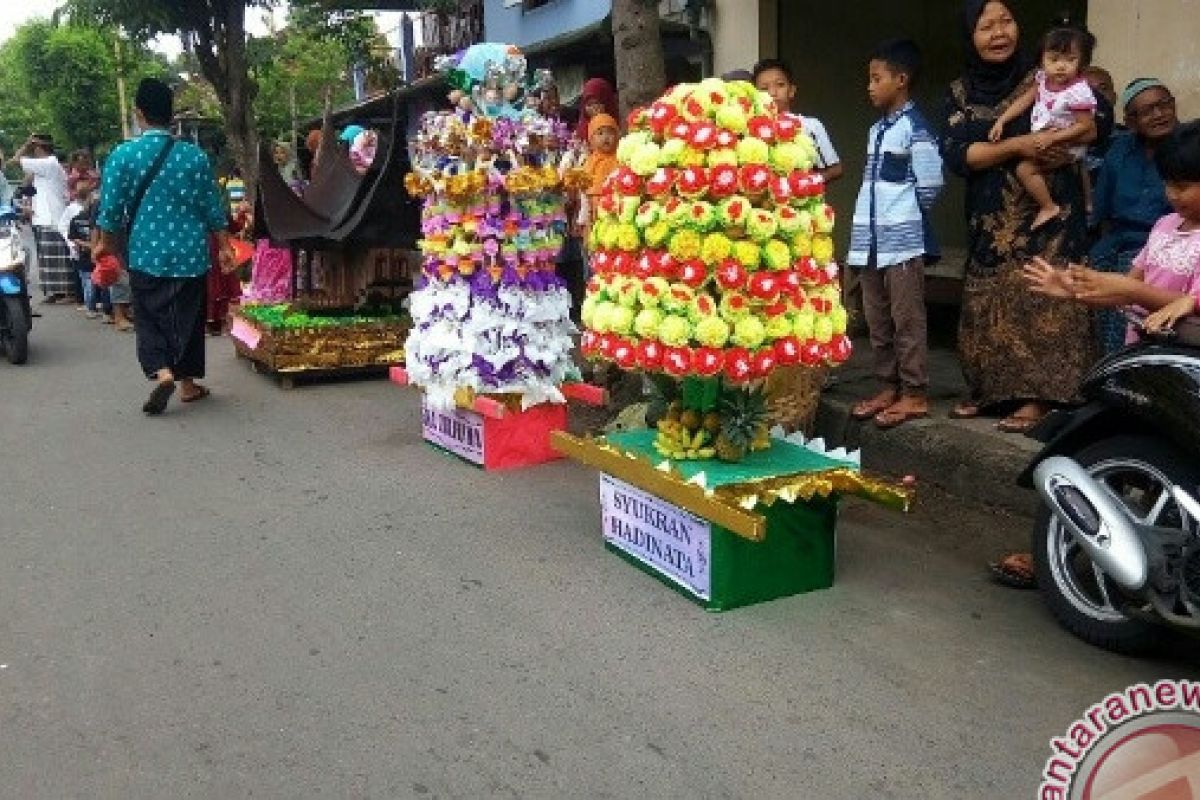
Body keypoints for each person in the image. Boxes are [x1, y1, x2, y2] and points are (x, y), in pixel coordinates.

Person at [939, 0, 1106, 434]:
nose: (999, 33)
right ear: (969, 36)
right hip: (989, 217)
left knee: (1043, 295)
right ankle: (989, 391)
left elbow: (1098, 119)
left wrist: (1067, 136)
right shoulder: (959, 93)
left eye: (1006, 22)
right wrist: (1019, 146)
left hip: (1051, 209)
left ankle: (1040, 397)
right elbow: (960, 153)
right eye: (986, 26)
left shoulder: (1050, 73)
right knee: (987, 302)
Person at [94, 78, 235, 415]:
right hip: (190, 252)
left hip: (146, 251)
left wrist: (103, 246)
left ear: (139, 113)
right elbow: (213, 207)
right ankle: (188, 386)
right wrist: (226, 246)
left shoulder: (123, 155)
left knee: (150, 316)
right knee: (188, 318)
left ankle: (163, 372)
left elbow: (110, 209)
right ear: (171, 115)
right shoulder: (194, 156)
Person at [847, 39, 945, 429]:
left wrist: (904, 215)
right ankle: (887, 385)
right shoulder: (876, 130)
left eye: (877, 78)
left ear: (901, 80)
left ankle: (915, 393)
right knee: (877, 318)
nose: (869, 86)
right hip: (870, 241)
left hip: (901, 241)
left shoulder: (914, 128)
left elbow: (931, 183)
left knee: (907, 318)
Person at [1089, 78, 1178, 354]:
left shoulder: (1189, 146)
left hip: (1163, 244)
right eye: (1148, 110)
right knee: (1085, 279)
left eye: (1164, 105)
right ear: (1130, 121)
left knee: (1123, 293)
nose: (1159, 114)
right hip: (1116, 239)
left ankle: (1120, 370)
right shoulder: (1120, 150)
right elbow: (1100, 205)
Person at [988, 26, 1098, 229]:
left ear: (1081, 63)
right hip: (1045, 140)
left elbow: (1086, 126)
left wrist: (1053, 139)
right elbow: (1024, 100)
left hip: (1066, 145)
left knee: (1024, 169)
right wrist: (1002, 120)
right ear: (1042, 60)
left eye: (1070, 60)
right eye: (1054, 59)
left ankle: (1048, 206)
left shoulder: (1078, 92)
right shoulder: (1042, 81)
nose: (1061, 66)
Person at [752, 58, 843, 184]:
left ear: (792, 91)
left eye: (780, 85)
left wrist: (808, 182)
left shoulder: (810, 126)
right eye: (764, 89)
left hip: (801, 200)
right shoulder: (750, 131)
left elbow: (835, 169)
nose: (772, 93)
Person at [15, 133, 72, 303]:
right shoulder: (48, 165)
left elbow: (16, 159)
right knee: (47, 258)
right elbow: (26, 183)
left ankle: (66, 291)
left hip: (51, 217)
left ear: (39, 148)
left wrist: (26, 144)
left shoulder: (48, 163)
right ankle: (55, 292)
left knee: (56, 257)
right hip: (44, 216)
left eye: (34, 148)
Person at [58, 181, 105, 319]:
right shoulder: (74, 212)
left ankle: (93, 305)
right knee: (89, 281)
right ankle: (91, 305)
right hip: (86, 252)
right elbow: (66, 230)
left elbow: (72, 235)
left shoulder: (84, 215)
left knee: (90, 281)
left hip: (88, 252)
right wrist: (78, 244)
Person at [577, 113, 619, 238]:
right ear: (591, 139)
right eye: (600, 133)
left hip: (616, 209)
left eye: (610, 132)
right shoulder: (589, 163)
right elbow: (584, 193)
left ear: (617, 135)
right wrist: (582, 218)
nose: (605, 137)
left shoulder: (620, 158)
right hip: (594, 212)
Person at [575, 78, 618, 144]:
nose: (593, 108)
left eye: (597, 103)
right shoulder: (582, 130)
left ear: (607, 102)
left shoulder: (617, 126)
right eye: (589, 105)